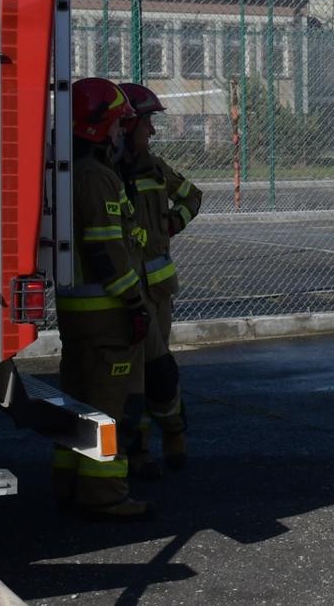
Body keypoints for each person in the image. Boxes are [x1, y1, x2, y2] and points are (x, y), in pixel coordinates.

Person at [53, 77, 155, 521]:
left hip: (76, 315)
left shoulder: (66, 174)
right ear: (98, 129)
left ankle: (68, 482)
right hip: (107, 317)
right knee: (107, 410)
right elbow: (107, 251)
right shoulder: (98, 178)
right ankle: (105, 493)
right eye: (116, 125)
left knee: (77, 402)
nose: (121, 133)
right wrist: (134, 305)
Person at [116, 82, 204, 479]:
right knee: (131, 376)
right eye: (147, 122)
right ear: (127, 124)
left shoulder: (156, 169)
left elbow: (192, 197)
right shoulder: (103, 176)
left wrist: (171, 222)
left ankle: (173, 434)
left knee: (157, 370)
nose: (151, 132)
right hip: (119, 294)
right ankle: (138, 450)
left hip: (157, 293)